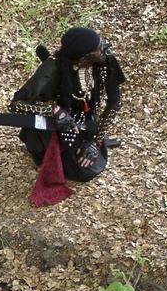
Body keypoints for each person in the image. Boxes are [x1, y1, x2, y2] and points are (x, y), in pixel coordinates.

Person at [9, 27, 126, 183]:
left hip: (85, 120)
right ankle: (45, 149)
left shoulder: (105, 60)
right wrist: (55, 111)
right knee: (86, 171)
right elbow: (16, 105)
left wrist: (95, 141)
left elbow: (114, 102)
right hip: (57, 122)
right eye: (99, 48)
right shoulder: (52, 68)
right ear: (83, 59)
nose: (104, 48)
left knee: (93, 163)